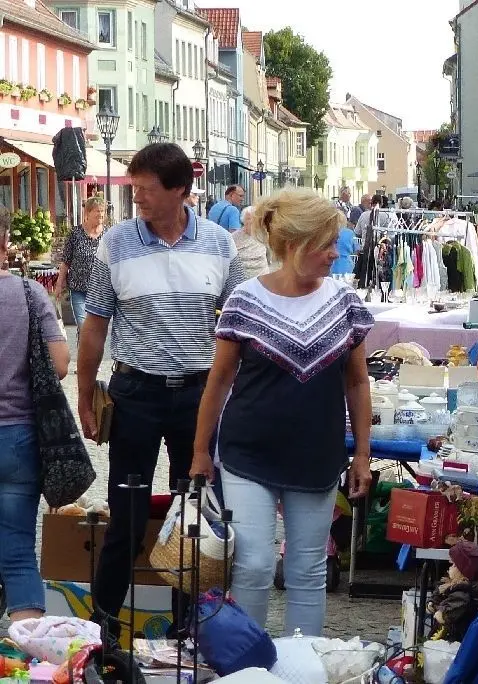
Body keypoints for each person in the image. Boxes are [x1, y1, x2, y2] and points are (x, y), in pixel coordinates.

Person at [76, 142, 245, 641]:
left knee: (193, 519)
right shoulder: (116, 243)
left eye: (146, 191)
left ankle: (188, 631)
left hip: (198, 397)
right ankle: (102, 627)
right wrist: (86, 395)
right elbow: (95, 323)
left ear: (180, 191)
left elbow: (235, 328)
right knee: (125, 518)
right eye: (134, 190)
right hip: (135, 394)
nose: (137, 201)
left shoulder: (219, 244)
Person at [190, 188, 374, 636]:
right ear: (294, 245)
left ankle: (302, 664)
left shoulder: (345, 305)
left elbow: (356, 381)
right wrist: (199, 450)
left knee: (307, 572)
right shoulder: (245, 301)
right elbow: (219, 381)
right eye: (326, 244)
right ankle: (247, 663)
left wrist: (363, 453)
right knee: (252, 565)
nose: (336, 253)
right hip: (247, 454)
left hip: (317, 456)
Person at [0, 207, 70, 622]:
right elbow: (60, 364)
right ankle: (27, 662)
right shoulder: (29, 294)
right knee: (19, 552)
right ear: (5, 240)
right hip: (19, 435)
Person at [56, 195, 105, 329]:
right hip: (78, 289)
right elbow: (66, 261)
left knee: (96, 329)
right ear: (87, 213)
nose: (101, 214)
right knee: (84, 327)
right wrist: (60, 284)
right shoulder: (75, 233)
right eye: (97, 211)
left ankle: (84, 349)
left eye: (102, 211)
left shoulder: (108, 235)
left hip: (100, 291)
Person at [232, 206, 271, 280]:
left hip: (262, 278)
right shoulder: (234, 237)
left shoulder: (264, 235)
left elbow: (269, 254)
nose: (251, 221)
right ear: (243, 221)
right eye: (249, 219)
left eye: (255, 219)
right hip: (242, 280)